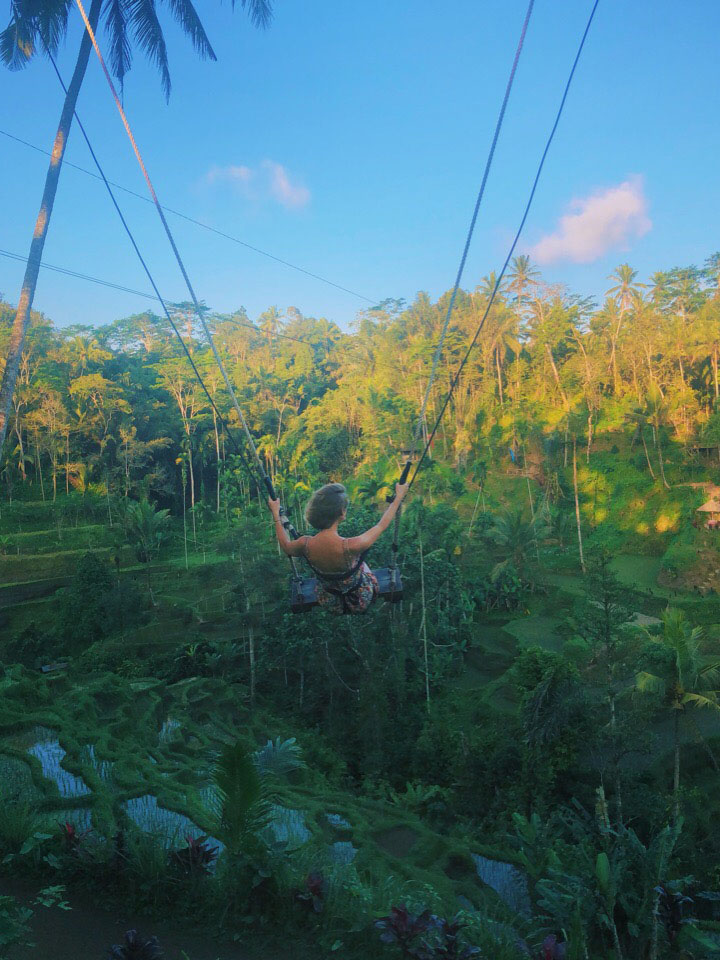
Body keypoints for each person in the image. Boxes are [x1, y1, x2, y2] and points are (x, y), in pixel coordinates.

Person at [268, 481, 409, 614]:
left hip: (330, 602)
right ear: (342, 512)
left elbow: (286, 546)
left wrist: (276, 515)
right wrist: (398, 498)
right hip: (360, 599)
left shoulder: (305, 544)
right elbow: (381, 525)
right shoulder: (352, 545)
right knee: (361, 564)